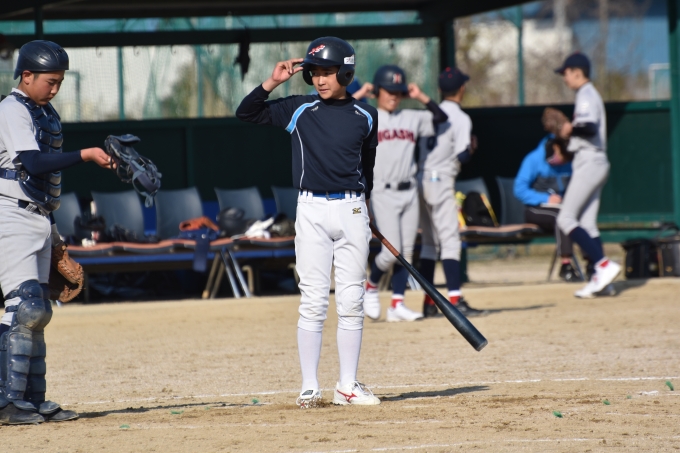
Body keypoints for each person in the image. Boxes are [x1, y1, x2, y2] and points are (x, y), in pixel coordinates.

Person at [236, 37, 381, 408]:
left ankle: (347, 386)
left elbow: (367, 169)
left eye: (328, 72)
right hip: (311, 209)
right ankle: (309, 387)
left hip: (352, 209)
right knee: (313, 300)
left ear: (346, 73)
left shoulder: (366, 115)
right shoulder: (298, 107)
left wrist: (365, 211)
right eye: (315, 72)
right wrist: (273, 82)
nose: (320, 79)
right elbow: (247, 113)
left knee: (351, 299)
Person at [0, 40, 114, 425]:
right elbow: (32, 164)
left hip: (38, 216)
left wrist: (53, 232)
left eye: (60, 82)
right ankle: (7, 401)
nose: (55, 88)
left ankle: (32, 399)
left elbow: (40, 185)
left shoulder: (44, 112)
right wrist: (86, 154)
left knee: (40, 310)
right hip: (10, 214)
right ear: (26, 75)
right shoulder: (12, 108)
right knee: (24, 307)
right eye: (50, 80)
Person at [362, 65, 448, 322]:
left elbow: (441, 117)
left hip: (409, 190)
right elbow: (336, 117)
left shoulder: (412, 116)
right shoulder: (368, 115)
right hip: (383, 191)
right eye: (389, 90)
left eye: (398, 91)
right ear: (378, 91)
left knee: (407, 253)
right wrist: (361, 93)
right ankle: (371, 286)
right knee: (392, 251)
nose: (394, 96)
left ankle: (397, 304)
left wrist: (420, 96)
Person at [417, 67, 488, 318]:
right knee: (450, 241)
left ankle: (428, 302)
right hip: (440, 179)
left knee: (429, 244)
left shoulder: (429, 113)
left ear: (440, 89)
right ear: (462, 89)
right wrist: (472, 147)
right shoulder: (461, 117)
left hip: (421, 178)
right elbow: (462, 155)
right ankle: (455, 300)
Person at [554, 53, 620, 298]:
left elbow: (589, 127)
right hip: (595, 160)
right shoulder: (589, 94)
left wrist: (570, 129)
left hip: (589, 161)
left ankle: (603, 264)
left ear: (577, 72)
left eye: (566, 73)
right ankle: (601, 281)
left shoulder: (585, 94)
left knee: (565, 218)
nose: (565, 78)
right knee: (588, 223)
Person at [514, 135, 579, 281]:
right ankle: (566, 266)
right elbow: (519, 189)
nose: (564, 160)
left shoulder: (571, 161)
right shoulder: (533, 159)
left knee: (578, 216)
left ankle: (592, 263)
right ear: (555, 148)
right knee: (562, 217)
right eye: (563, 156)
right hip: (535, 209)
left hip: (563, 207)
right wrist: (546, 199)